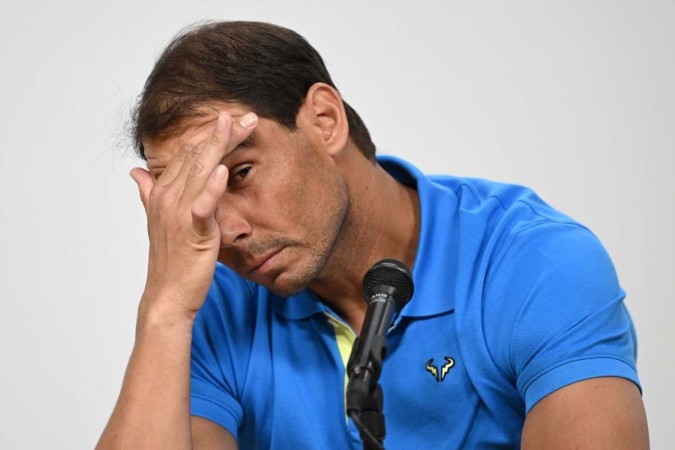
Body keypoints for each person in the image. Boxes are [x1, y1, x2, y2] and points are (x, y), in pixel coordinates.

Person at [97, 21, 649, 449]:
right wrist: (165, 309)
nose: (227, 232)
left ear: (324, 120)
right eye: (198, 200)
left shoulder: (535, 263)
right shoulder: (210, 302)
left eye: (240, 175)